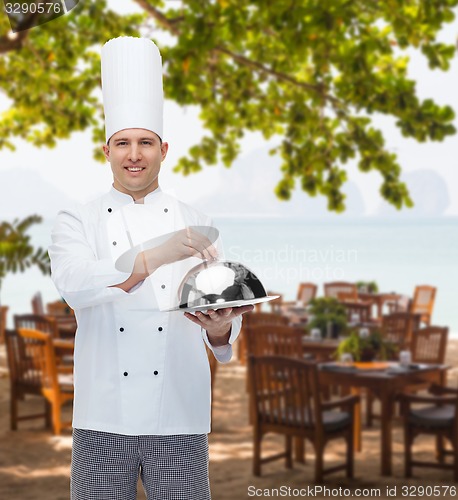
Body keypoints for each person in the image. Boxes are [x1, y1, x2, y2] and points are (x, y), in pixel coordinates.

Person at [49, 36, 252, 500]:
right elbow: (75, 286)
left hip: (179, 415)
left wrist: (221, 328)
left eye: (145, 142)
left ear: (164, 148)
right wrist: (153, 257)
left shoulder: (198, 221)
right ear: (106, 150)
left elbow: (219, 315)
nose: (134, 154)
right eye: (123, 143)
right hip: (102, 417)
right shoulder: (75, 218)